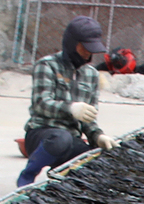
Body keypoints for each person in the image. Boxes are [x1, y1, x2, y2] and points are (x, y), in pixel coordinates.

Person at [17, 16, 118, 187]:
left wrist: (98, 136)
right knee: (61, 139)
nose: (88, 53)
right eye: (85, 47)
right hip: (41, 133)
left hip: (71, 138)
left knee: (92, 160)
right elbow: (41, 103)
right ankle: (28, 175)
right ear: (72, 43)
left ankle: (58, 174)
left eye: (92, 48)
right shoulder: (47, 65)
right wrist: (70, 108)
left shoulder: (91, 74)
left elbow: (88, 118)